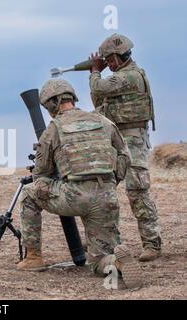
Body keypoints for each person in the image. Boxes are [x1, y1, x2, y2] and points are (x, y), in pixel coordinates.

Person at [16, 78, 143, 288]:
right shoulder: (103, 121)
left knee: (30, 193)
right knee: (98, 261)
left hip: (74, 196)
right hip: (106, 197)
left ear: (50, 105)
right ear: (72, 98)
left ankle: (33, 258)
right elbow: (124, 157)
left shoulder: (54, 129)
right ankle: (116, 261)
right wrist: (111, 184)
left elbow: (41, 173)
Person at [89, 33, 162, 261]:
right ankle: (105, 242)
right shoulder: (121, 76)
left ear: (120, 57)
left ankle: (152, 243)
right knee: (102, 189)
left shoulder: (129, 76)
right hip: (117, 137)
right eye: (106, 60)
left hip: (133, 138)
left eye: (110, 60)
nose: (108, 65)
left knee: (137, 191)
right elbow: (98, 99)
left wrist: (94, 71)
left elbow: (99, 88)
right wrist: (97, 73)